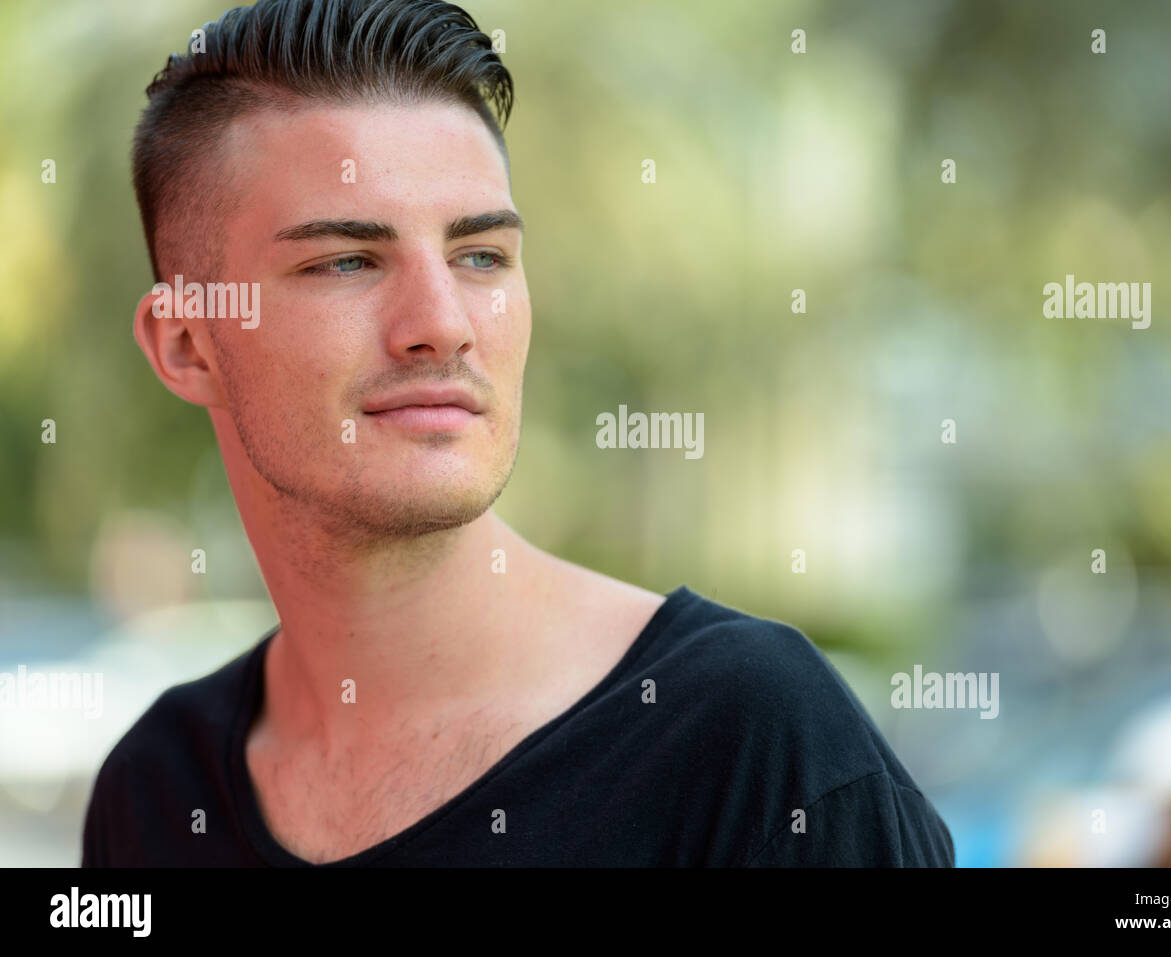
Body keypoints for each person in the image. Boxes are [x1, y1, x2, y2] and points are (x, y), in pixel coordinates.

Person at [81, 0, 955, 867]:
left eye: (480, 255)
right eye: (346, 260)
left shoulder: (751, 742)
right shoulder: (156, 792)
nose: (443, 323)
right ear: (189, 345)